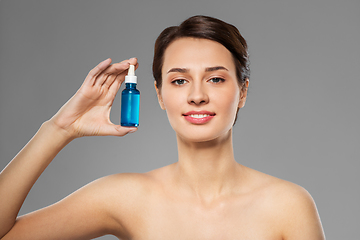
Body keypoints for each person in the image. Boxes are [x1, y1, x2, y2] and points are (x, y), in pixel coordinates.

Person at [0, 15, 325, 239]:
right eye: (180, 80)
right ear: (158, 94)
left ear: (242, 92)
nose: (197, 96)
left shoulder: (288, 206)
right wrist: (58, 129)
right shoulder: (124, 197)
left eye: (215, 78)